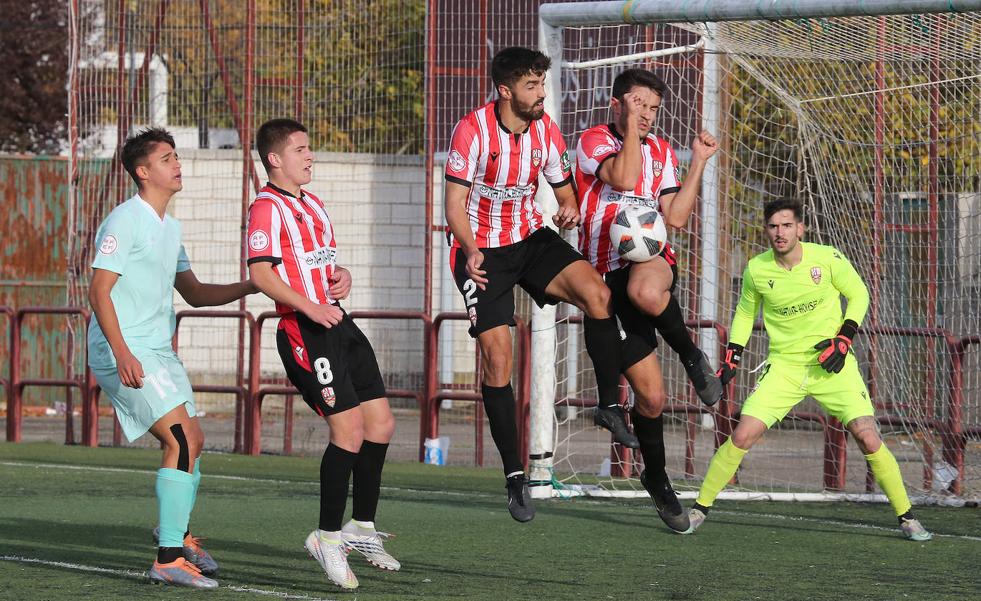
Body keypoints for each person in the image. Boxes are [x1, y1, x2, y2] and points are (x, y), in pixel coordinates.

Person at [444, 47, 634, 523]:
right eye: (532, 86)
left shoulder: (546, 129)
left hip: (530, 238)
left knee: (599, 294)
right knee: (499, 357)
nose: (541, 94)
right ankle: (514, 477)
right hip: (481, 250)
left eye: (542, 85)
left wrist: (568, 210)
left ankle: (608, 404)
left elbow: (566, 195)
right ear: (506, 91)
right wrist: (470, 250)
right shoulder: (473, 130)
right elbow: (453, 204)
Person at [683, 198, 932, 541]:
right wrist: (732, 355)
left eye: (787, 225)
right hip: (784, 367)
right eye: (773, 226)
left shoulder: (826, 258)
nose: (780, 233)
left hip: (833, 364)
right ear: (766, 230)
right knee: (742, 435)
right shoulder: (758, 269)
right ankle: (698, 511)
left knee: (867, 435)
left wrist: (844, 339)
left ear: (801, 228)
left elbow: (859, 294)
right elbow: (744, 314)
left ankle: (907, 518)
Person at [87, 128, 257, 588]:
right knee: (181, 439)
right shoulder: (125, 219)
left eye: (176, 156)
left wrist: (254, 284)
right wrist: (121, 352)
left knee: (193, 440)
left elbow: (196, 293)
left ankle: (177, 538)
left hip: (157, 350)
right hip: (122, 348)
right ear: (143, 172)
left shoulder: (170, 226)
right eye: (167, 158)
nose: (177, 164)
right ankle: (166, 559)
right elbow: (99, 290)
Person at [246, 118, 399, 590]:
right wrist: (311, 304)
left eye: (309, 148)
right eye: (301, 149)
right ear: (275, 158)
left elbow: (324, 267)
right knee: (347, 430)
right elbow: (261, 275)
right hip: (305, 331)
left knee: (381, 423)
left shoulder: (313, 205)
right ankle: (327, 539)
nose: (310, 156)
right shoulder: (266, 208)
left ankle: (362, 528)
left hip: (337, 321)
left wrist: (342, 277)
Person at [575, 68, 723, 531]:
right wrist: (631, 131)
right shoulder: (593, 139)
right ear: (616, 104)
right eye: (639, 105)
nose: (647, 115)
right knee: (654, 400)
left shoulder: (660, 150)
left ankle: (693, 356)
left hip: (648, 265)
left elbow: (675, 216)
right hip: (603, 282)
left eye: (654, 108)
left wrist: (698, 160)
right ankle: (657, 481)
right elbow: (623, 176)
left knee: (645, 288)